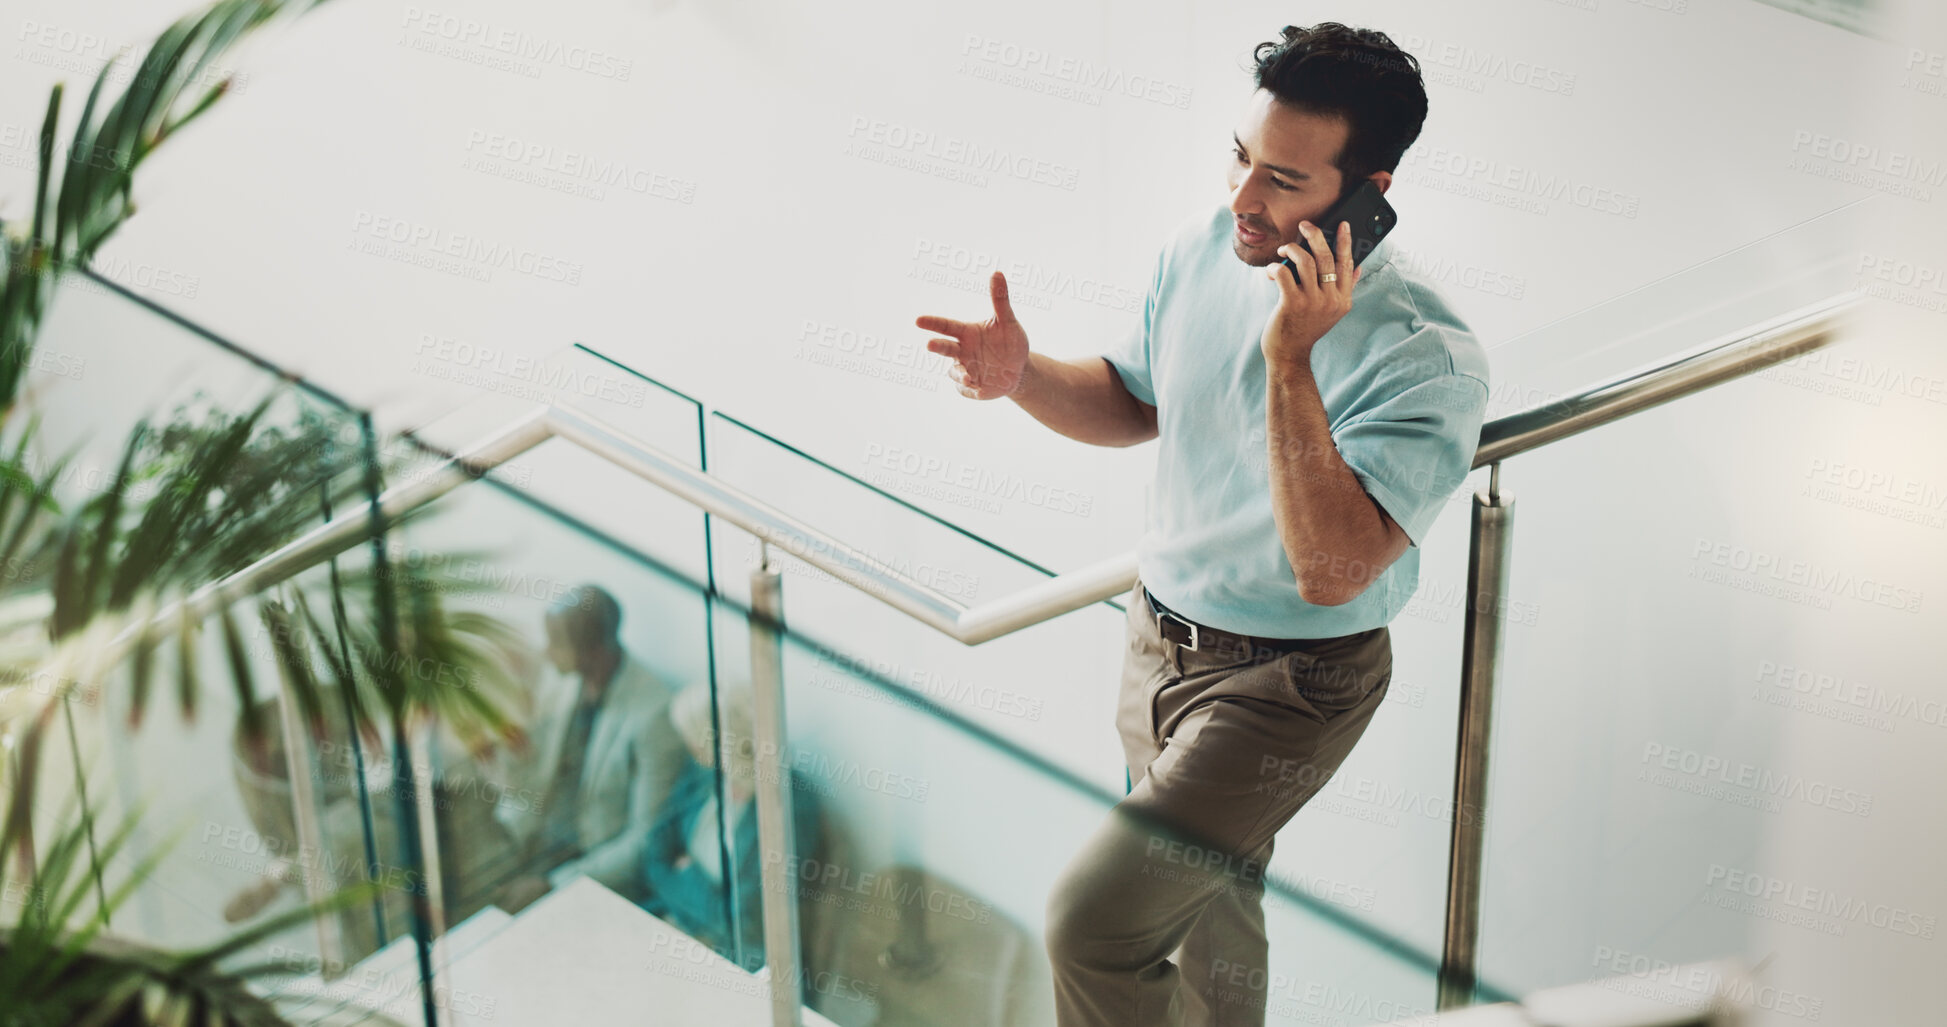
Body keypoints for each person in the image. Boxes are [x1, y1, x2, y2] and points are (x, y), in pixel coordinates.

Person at [915, 23, 1488, 1027]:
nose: (1243, 201)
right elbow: (1137, 402)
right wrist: (1022, 378)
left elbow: (1330, 567)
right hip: (1158, 640)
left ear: (1370, 192)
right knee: (1210, 908)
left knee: (1094, 927)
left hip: (1291, 685)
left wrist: (1291, 357)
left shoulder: (1424, 357)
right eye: (1238, 157)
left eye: (1283, 179)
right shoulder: (1199, 247)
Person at [493, 584, 689, 910]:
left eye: (556, 642)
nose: (546, 652)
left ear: (593, 651)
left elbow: (643, 842)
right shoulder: (566, 680)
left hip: (596, 877)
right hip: (541, 850)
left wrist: (552, 885)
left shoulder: (653, 716)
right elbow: (536, 769)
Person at [640, 679, 822, 973]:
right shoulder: (703, 773)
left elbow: (746, 922)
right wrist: (705, 897)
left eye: (694, 741)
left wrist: (686, 873)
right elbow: (653, 856)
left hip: (733, 961)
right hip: (669, 924)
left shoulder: (789, 807)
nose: (689, 748)